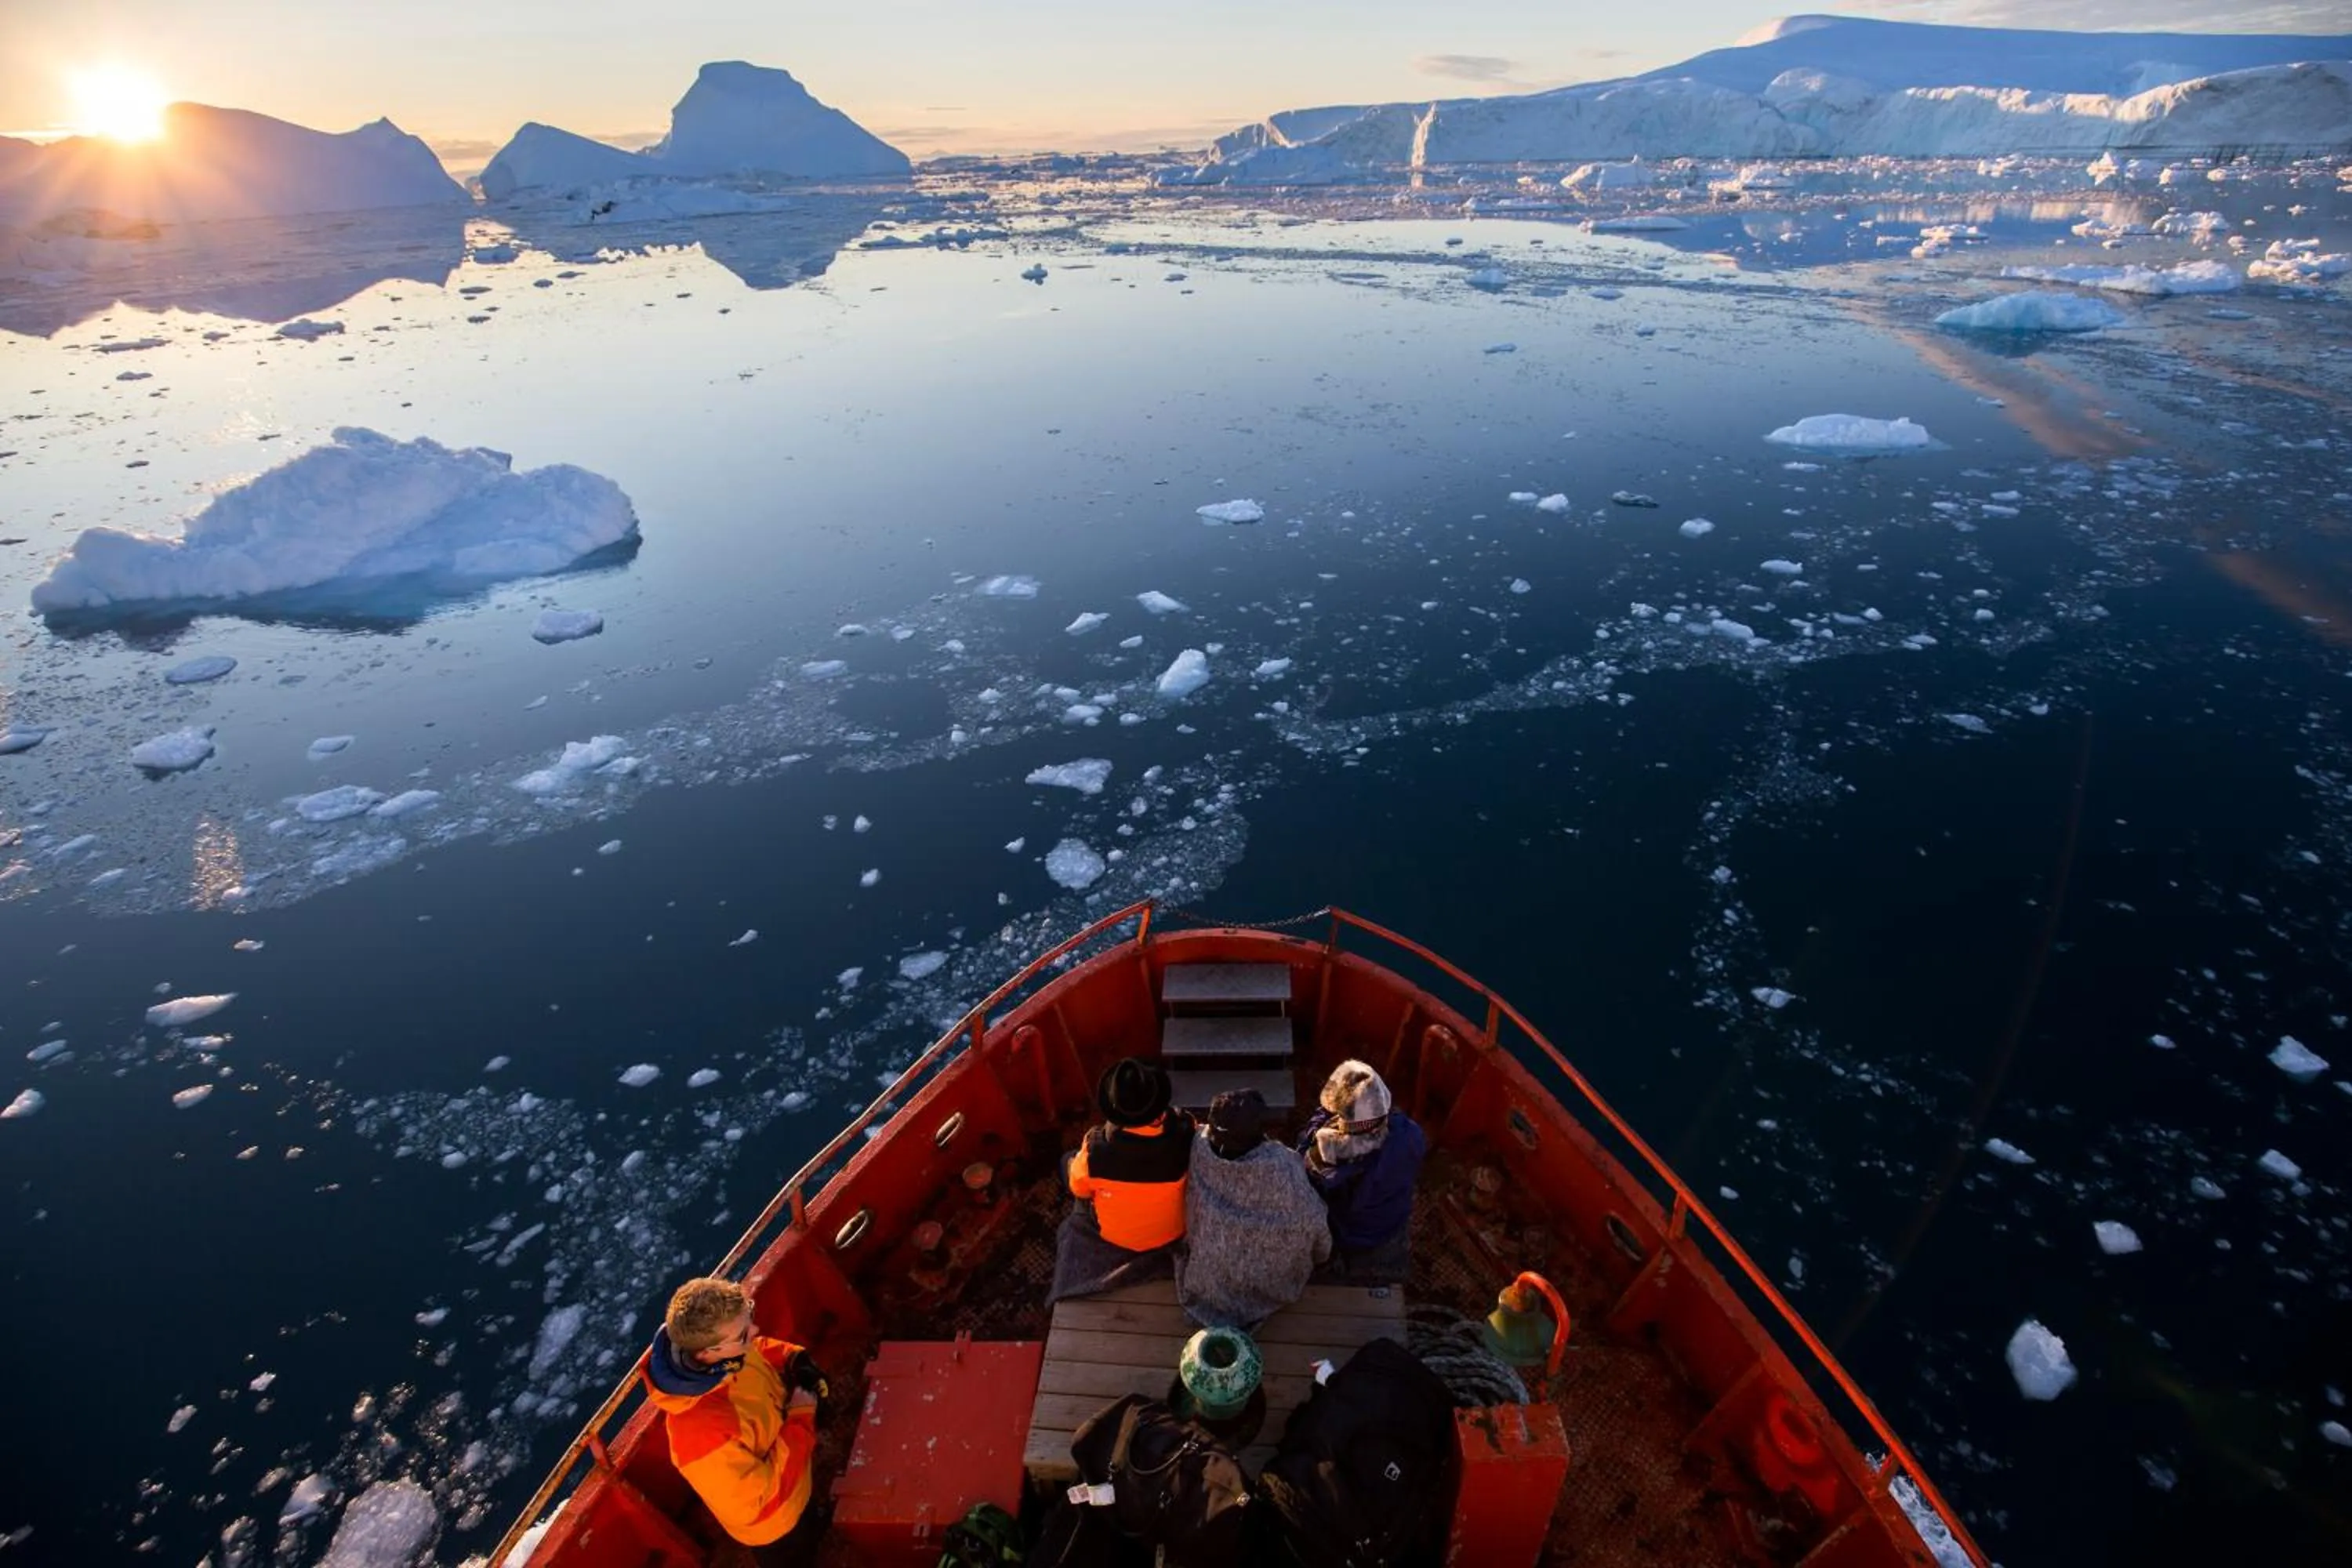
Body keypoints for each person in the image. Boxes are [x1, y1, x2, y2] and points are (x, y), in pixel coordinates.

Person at [642, 1276, 825, 1560]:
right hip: (776, 1524)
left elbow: (755, 1351)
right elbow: (762, 1502)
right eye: (743, 1334)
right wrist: (801, 1417)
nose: (755, 1330)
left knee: (813, 1523)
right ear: (705, 1354)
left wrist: (791, 1358)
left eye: (749, 1316)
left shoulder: (725, 1354)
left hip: (797, 1477)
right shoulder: (699, 1436)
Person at [1176, 1088, 1332, 1330]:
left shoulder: (1198, 1148)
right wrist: (1322, 1254)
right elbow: (1313, 1220)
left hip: (1209, 1280)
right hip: (1269, 1283)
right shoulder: (1284, 1164)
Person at [1049, 1058, 1196, 1301]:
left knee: (1068, 1162)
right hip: (1174, 1230)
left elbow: (1080, 1190)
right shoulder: (1186, 1131)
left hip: (1116, 1237)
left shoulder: (1095, 1150)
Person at [1298, 1059, 1425, 1283]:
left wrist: (1316, 1143)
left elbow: (1309, 1171)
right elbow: (1325, 1113)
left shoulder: (1341, 1166)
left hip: (1354, 1230)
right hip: (1393, 1217)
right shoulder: (1410, 1133)